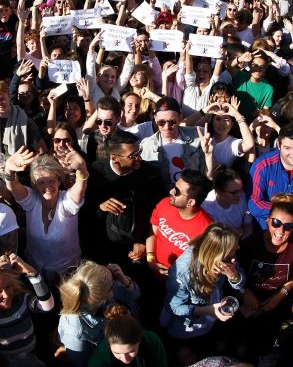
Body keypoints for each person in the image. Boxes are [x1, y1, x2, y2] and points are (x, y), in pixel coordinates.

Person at [3, 144, 88, 282]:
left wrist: (82, 169)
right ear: (34, 184)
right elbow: (12, 186)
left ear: (59, 181)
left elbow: (80, 187)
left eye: (51, 181)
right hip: (35, 272)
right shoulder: (32, 201)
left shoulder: (66, 201)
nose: (47, 187)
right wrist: (9, 169)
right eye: (41, 182)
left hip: (68, 274)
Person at [83, 131, 167, 268]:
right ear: (114, 158)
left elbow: (159, 214)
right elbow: (84, 212)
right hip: (104, 250)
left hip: (136, 251)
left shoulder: (150, 175)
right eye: (132, 156)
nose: (139, 157)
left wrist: (144, 242)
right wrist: (100, 207)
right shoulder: (96, 172)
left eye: (139, 151)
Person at [237, 194, 293, 357]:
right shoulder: (251, 244)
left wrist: (280, 295)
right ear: (268, 221)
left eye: (288, 226)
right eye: (276, 223)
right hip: (242, 302)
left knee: (261, 343)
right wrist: (245, 292)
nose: (280, 231)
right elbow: (235, 270)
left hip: (271, 306)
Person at [160, 223, 244, 340]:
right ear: (217, 254)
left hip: (210, 308)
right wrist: (208, 310)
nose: (237, 250)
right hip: (186, 322)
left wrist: (233, 275)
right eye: (232, 250)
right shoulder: (183, 270)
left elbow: (240, 284)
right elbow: (174, 307)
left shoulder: (229, 256)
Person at [0, 253, 54, 367]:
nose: (6, 295)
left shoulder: (21, 299)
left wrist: (32, 273)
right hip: (3, 362)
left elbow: (47, 306)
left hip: (31, 354)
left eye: (8, 287)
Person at [58, 261, 140, 367]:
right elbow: (84, 362)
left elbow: (135, 295)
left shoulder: (97, 287)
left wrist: (123, 279)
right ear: (107, 295)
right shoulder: (75, 333)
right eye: (113, 281)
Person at [248, 123, 293, 229]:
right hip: (265, 230)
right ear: (278, 145)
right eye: (287, 148)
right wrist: (291, 210)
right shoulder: (263, 165)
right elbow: (254, 204)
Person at [146, 169, 213, 277]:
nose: (171, 191)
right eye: (174, 186)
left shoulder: (207, 229)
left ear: (190, 202)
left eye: (176, 191)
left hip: (180, 284)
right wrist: (150, 260)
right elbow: (153, 232)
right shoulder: (164, 203)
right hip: (153, 272)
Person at [140, 96, 214, 188]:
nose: (167, 127)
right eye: (161, 122)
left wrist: (209, 154)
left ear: (180, 118)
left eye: (172, 122)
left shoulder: (197, 138)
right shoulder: (146, 146)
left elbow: (208, 177)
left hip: (191, 196)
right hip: (162, 198)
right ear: (155, 119)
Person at [88, 312, 168, 367]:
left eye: (131, 351)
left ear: (140, 340)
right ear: (109, 345)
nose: (125, 359)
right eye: (117, 353)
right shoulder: (103, 352)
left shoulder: (151, 340)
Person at [202, 167, 253, 240]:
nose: (239, 194)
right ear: (219, 191)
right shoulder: (206, 207)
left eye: (241, 189)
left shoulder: (243, 197)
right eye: (234, 192)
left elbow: (248, 228)